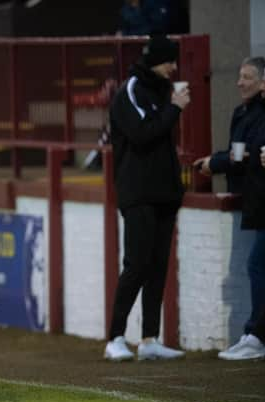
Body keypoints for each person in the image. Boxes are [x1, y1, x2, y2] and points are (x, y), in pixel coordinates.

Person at [104, 35, 190, 361]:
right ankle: (114, 337)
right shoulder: (131, 90)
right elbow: (142, 134)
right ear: (157, 60)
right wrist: (174, 109)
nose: (174, 66)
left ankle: (149, 339)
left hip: (165, 195)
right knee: (136, 265)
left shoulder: (159, 90)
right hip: (137, 193)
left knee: (157, 267)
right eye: (170, 60)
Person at [216, 61, 265, 361]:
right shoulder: (258, 115)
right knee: (264, 267)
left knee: (260, 265)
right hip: (264, 207)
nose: (241, 83)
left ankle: (260, 334)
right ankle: (263, 334)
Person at [193, 57, 265, 193]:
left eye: (247, 78)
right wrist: (212, 159)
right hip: (237, 192)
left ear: (263, 82)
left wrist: (214, 164)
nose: (240, 83)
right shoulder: (240, 112)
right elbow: (233, 151)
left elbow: (246, 154)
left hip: (255, 193)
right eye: (240, 77)